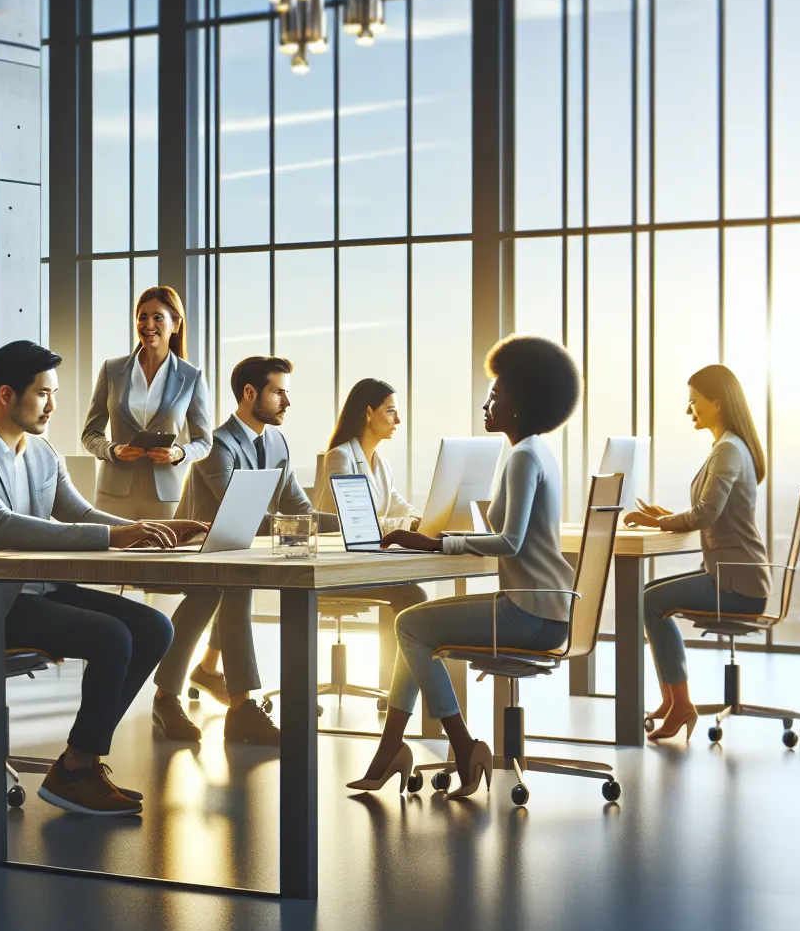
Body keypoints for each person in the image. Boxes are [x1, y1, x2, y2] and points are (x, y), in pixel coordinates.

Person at [0, 341, 205, 816]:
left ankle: (79, 761)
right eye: (42, 394)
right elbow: (3, 526)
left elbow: (79, 512)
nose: (53, 405)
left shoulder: (41, 451)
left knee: (156, 628)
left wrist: (155, 530)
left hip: (38, 590)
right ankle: (77, 770)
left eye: (54, 393)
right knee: (112, 636)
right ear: (6, 395)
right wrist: (118, 537)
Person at [347, 335, 581, 798]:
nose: (487, 403)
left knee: (411, 626)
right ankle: (390, 749)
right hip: (546, 608)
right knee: (412, 627)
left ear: (522, 402)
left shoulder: (523, 458)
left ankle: (463, 744)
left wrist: (436, 544)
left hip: (531, 614)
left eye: (496, 394)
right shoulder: (534, 453)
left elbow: (509, 543)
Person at [149, 356, 331, 745]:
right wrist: (298, 529)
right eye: (278, 391)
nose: (287, 401)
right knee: (227, 588)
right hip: (201, 551)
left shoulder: (277, 441)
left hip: (238, 553)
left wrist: (355, 524)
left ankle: (190, 699)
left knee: (230, 588)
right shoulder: (217, 444)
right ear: (250, 394)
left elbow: (297, 506)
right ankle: (237, 707)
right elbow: (242, 513)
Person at [626, 364, 770, 742]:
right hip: (733, 575)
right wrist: (666, 516)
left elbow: (707, 513)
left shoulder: (728, 450)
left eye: (694, 402)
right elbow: (711, 511)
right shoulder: (731, 447)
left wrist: (658, 523)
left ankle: (680, 704)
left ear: (717, 402)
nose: (689, 410)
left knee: (649, 601)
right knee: (649, 598)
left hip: (738, 584)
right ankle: (673, 700)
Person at [313, 378, 431, 697]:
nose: (398, 420)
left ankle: (397, 689)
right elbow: (359, 522)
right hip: (336, 568)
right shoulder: (340, 457)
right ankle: (399, 693)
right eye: (391, 411)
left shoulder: (381, 464)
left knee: (410, 592)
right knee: (412, 596)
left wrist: (423, 519)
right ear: (369, 413)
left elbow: (395, 502)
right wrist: (407, 524)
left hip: (367, 564)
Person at [81, 285, 213, 521]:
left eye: (157, 318)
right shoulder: (112, 370)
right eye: (143, 317)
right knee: (109, 557)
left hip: (166, 496)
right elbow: (90, 434)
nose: (148, 325)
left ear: (176, 324)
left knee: (161, 557)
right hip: (113, 494)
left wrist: (178, 453)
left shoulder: (191, 377)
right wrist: (113, 450)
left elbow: (204, 441)